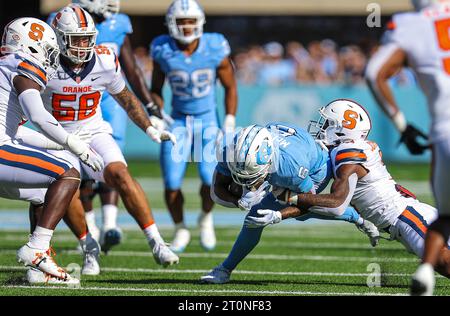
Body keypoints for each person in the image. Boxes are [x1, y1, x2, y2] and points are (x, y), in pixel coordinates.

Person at [246, 99, 450, 277]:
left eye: (327, 123)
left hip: (405, 216)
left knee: (444, 264)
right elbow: (321, 203)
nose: (321, 126)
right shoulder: (351, 149)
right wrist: (281, 214)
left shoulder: (347, 153)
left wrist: (289, 199)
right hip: (405, 216)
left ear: (341, 128)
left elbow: (336, 203)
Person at [44, 4, 179, 267]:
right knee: (66, 186)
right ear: (59, 38)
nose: (83, 45)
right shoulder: (42, 64)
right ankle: (88, 246)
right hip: (57, 137)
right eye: (76, 39)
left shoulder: (104, 59)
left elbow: (126, 99)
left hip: (93, 130)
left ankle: (157, 242)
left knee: (121, 174)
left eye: (87, 39)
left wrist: (151, 129)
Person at [200, 123, 379, 284]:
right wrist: (238, 201)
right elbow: (216, 190)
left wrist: (277, 216)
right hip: (287, 156)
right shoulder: (229, 150)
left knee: (295, 212)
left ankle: (357, 217)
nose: (248, 184)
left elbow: (307, 203)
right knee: (254, 217)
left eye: (253, 177)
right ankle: (224, 270)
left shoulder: (290, 168)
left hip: (315, 170)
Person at [0, 17, 104, 285]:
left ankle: (38, 268)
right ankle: (37, 248)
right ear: (31, 46)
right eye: (47, 50)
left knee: (43, 193)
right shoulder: (21, 65)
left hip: (4, 144)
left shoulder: (4, 66)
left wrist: (60, 143)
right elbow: (38, 114)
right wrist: (74, 145)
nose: (49, 58)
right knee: (68, 174)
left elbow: (17, 132)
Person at [365, 0, 450, 295]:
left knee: (445, 214)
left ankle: (426, 270)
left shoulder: (410, 24)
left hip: (444, 131)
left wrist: (403, 126)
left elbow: (373, 73)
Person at [150, 0, 238, 253]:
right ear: (171, 23)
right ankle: (180, 229)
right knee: (171, 182)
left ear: (199, 22)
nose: (187, 26)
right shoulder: (162, 48)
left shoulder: (215, 46)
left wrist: (229, 118)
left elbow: (231, 85)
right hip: (177, 120)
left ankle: (205, 218)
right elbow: (156, 88)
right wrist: (156, 113)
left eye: (190, 21)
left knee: (209, 178)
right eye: (181, 21)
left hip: (207, 119)